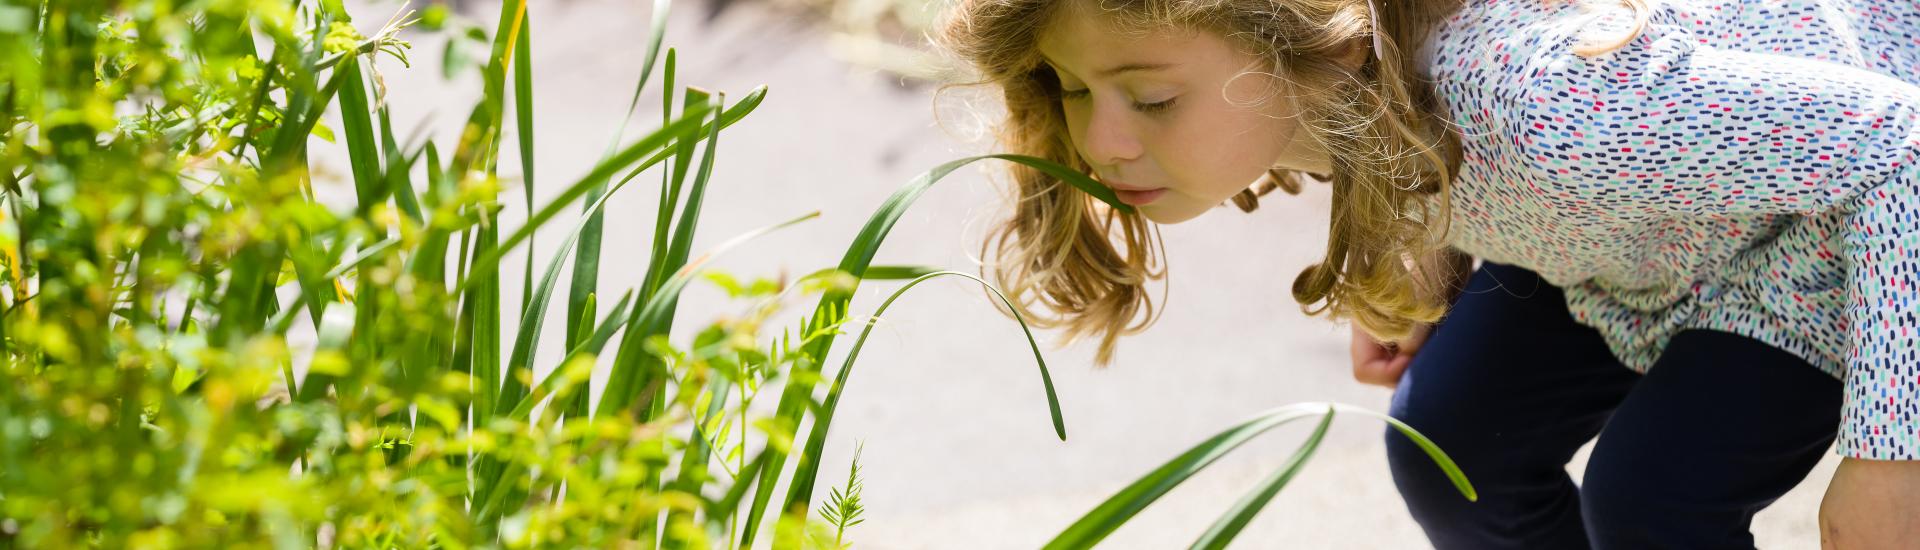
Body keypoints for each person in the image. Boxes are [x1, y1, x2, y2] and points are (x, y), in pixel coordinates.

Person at [933, 0, 1920, 547]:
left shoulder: (1549, 107)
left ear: (1297, 43)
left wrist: (1891, 455)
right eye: (1069, 86)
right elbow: (1455, 157)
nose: (1097, 138)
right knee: (1449, 449)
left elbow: (1903, 146)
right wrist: (1426, 257)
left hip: (1811, 234)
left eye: (1151, 98)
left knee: (1652, 499)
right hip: (1627, 247)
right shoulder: (1368, 95)